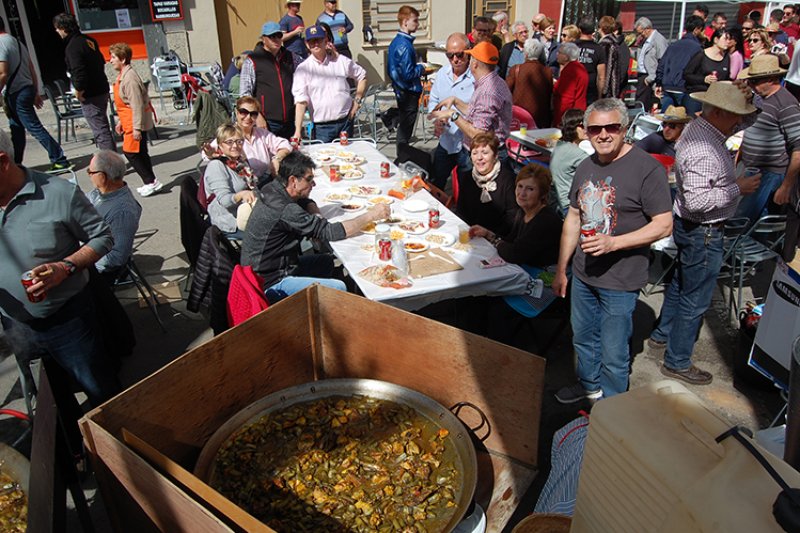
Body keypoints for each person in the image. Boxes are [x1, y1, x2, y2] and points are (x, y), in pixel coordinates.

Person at [553, 98, 673, 403]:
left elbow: (663, 225)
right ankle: (588, 386)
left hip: (621, 279)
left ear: (625, 128)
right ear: (585, 131)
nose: (603, 134)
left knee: (614, 351)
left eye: (612, 127)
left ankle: (613, 407)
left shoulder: (647, 169)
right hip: (583, 274)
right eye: (595, 129)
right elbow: (574, 218)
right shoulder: (585, 166)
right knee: (583, 338)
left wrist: (614, 243)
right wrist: (562, 269)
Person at [648, 81, 760, 386]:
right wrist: (738, 188)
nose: (740, 120)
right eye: (736, 113)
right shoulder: (704, 148)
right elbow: (698, 202)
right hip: (704, 231)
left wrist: (748, 99)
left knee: (682, 283)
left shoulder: (703, 129)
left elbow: (745, 120)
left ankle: (662, 335)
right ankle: (677, 360)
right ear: (720, 113)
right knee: (695, 299)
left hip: (692, 228)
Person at [0, 128, 120, 409]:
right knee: (49, 403)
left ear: (3, 162)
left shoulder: (58, 193)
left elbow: (103, 237)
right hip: (15, 325)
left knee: (101, 393)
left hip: (68, 322)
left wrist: (66, 267)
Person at [241, 151, 389, 302]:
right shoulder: (285, 209)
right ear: (293, 180)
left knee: (326, 262)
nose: (313, 184)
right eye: (309, 179)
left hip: (266, 269)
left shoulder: (273, 188)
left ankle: (318, 305)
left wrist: (316, 216)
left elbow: (304, 201)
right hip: (269, 283)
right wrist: (371, 215)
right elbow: (331, 232)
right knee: (339, 287)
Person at [0, 18, 71, 171]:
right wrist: (35, 90)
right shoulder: (17, 42)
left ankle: (60, 159)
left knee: (34, 127)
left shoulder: (0, 44)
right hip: (25, 89)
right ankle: (15, 163)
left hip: (16, 92)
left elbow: (3, 73)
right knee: (16, 130)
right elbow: (31, 67)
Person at [737, 55, 800, 223]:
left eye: (755, 81)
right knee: (747, 220)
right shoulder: (760, 98)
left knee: (742, 221)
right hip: (752, 169)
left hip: (770, 173)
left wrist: (786, 186)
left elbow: (798, 148)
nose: (751, 85)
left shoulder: (786, 104)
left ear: (771, 79)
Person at [429, 41, 513, 166]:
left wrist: (453, 114)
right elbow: (478, 114)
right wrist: (456, 101)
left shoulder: (487, 92)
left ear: (475, 64)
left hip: (486, 156)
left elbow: (479, 134)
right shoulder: (494, 82)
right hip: (484, 152)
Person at [469, 163, 562, 267]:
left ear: (542, 194)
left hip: (544, 272)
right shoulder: (523, 211)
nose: (522, 193)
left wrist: (495, 241)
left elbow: (514, 254)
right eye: (520, 186)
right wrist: (487, 234)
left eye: (530, 189)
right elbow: (510, 241)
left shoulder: (545, 221)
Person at [292, 24, 366, 143]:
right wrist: (297, 131)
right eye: (312, 41)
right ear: (307, 44)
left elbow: (362, 76)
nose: (315, 44)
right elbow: (300, 101)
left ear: (325, 41)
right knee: (324, 156)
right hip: (322, 128)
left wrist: (357, 101)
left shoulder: (340, 61)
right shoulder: (303, 69)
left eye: (318, 40)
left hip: (345, 123)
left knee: (347, 154)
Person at [53, 13, 115, 152]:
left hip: (91, 93)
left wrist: (79, 91)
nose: (57, 31)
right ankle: (111, 157)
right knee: (102, 127)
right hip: (101, 88)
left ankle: (109, 160)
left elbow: (79, 72)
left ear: (63, 28)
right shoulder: (88, 40)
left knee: (100, 130)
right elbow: (100, 62)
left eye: (57, 28)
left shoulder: (73, 47)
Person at [109, 42, 162, 197]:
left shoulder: (129, 78)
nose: (110, 61)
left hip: (134, 122)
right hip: (129, 121)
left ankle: (150, 181)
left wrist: (137, 128)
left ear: (123, 59)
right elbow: (126, 103)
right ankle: (151, 181)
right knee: (140, 152)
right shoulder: (124, 75)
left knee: (131, 152)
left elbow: (136, 104)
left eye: (113, 57)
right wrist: (121, 121)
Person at [203, 96, 291, 182]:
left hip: (266, 178)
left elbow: (285, 145)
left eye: (253, 114)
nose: (248, 117)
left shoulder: (262, 133)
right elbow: (207, 154)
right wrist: (211, 154)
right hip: (243, 183)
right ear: (236, 112)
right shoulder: (228, 134)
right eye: (243, 112)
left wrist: (277, 159)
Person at [86, 150, 142, 283]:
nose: (89, 175)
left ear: (102, 176)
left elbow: (117, 257)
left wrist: (81, 260)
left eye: (90, 172)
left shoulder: (122, 212)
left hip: (99, 270)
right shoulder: (99, 193)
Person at [428, 33, 474, 190]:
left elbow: (479, 112)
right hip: (446, 141)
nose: (455, 59)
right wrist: (437, 119)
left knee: (466, 189)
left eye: (459, 55)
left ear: (468, 52)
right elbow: (433, 101)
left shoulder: (476, 77)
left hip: (467, 144)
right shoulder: (442, 74)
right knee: (435, 185)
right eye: (450, 55)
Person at [239, 21, 296, 140]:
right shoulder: (253, 60)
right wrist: (257, 115)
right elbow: (245, 94)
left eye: (279, 35)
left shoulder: (290, 56)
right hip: (267, 121)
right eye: (271, 36)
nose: (276, 39)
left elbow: (309, 67)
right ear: (263, 39)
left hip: (290, 120)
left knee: (290, 151)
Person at [455, 131, 518, 237]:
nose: (479, 158)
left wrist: (491, 236)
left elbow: (513, 217)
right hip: (471, 235)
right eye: (475, 153)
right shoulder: (467, 177)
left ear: (495, 156)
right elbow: (461, 211)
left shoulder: (508, 180)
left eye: (484, 153)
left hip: (497, 238)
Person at [204, 124, 259, 237]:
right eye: (229, 142)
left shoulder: (240, 162)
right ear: (220, 144)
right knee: (275, 233)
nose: (235, 146)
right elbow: (224, 200)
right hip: (229, 220)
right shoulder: (216, 166)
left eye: (239, 141)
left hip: (248, 212)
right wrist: (241, 195)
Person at [387, 6, 425, 149]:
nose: (417, 24)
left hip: (402, 89)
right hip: (408, 91)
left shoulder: (397, 42)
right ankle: (402, 155)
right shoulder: (404, 45)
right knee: (405, 130)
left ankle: (391, 116)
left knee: (404, 124)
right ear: (405, 22)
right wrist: (422, 69)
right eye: (415, 21)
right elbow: (408, 73)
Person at [655, 15, 705, 112]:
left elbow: (661, 65)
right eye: (702, 30)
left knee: (666, 117)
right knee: (684, 118)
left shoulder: (673, 45)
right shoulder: (697, 48)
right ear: (697, 30)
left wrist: (659, 82)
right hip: (683, 87)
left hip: (667, 86)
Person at [550, 109, 591, 215]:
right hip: (568, 206)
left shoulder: (561, 144)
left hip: (557, 201)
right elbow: (597, 169)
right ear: (573, 127)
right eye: (583, 126)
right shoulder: (575, 153)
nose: (587, 129)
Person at [507, 38, 553, 128]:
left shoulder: (516, 69)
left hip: (519, 116)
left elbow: (506, 90)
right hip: (540, 119)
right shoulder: (547, 71)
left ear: (526, 54)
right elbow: (549, 94)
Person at [683, 29, 731, 115]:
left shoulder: (726, 58)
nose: (728, 42)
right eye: (725, 39)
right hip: (696, 96)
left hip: (713, 98)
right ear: (716, 40)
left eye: (729, 39)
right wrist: (704, 79)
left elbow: (726, 77)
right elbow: (686, 74)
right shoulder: (701, 55)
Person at [634, 17, 668, 110]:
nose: (640, 35)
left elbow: (663, 61)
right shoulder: (645, 40)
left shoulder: (659, 40)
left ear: (647, 29)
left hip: (650, 77)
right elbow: (642, 56)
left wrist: (651, 78)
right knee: (641, 103)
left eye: (641, 32)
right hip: (642, 76)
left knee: (643, 105)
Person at [552, 43, 588, 127]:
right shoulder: (581, 67)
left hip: (569, 116)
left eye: (559, 52)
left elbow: (566, 98)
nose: (557, 54)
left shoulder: (570, 70)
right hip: (578, 111)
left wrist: (561, 120)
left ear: (566, 57)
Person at [576, 16, 607, 104]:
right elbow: (601, 77)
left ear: (579, 30)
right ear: (593, 31)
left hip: (574, 87)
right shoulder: (599, 49)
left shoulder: (571, 46)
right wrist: (599, 96)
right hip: (590, 90)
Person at [598, 16, 623, 99]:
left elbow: (608, 67)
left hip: (608, 89)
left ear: (601, 28)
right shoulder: (615, 43)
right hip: (614, 87)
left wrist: (603, 90)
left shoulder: (606, 45)